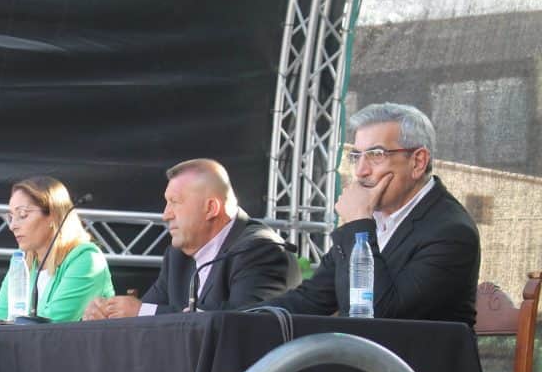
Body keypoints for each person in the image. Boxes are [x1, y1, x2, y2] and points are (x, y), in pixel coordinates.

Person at [262, 102, 480, 325]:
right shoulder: (373, 217)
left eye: (376, 155)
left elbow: (379, 319)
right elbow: (310, 299)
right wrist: (243, 319)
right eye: (357, 156)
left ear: (418, 162)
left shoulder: (452, 232)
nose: (360, 171)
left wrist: (358, 221)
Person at [82, 159, 299, 320]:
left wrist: (141, 312)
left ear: (211, 208)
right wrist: (109, 314)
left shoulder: (260, 250)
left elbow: (245, 322)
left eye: (175, 202)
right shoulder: (178, 256)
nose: (165, 214)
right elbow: (145, 314)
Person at [0, 176, 114, 324]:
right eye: (10, 217)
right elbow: (0, 313)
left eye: (23, 215)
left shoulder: (86, 259)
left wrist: (0, 323)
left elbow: (51, 324)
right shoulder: (21, 260)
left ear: (53, 215)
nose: (12, 226)